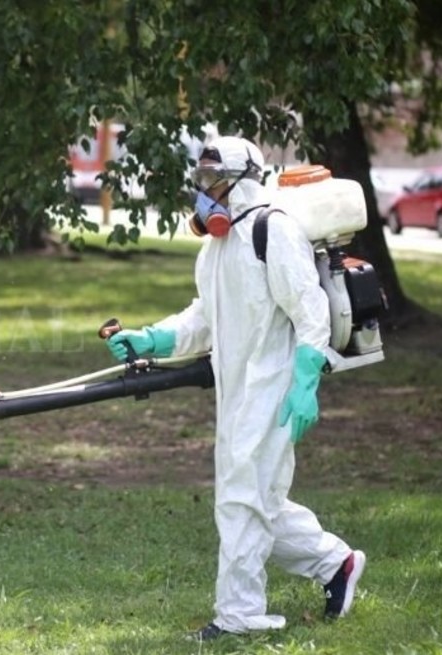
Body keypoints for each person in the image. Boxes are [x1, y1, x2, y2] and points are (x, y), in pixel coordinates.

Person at [104, 136, 365, 641]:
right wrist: (152, 337)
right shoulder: (217, 246)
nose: (204, 193)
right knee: (255, 501)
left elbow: (311, 314)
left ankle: (239, 615)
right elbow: (204, 315)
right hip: (237, 390)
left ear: (242, 182)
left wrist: (305, 384)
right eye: (200, 181)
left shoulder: (274, 231)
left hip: (276, 388)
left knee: (242, 500)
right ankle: (337, 563)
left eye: (212, 181)